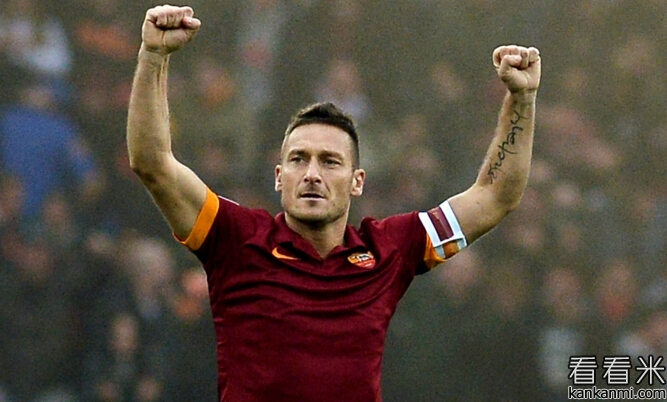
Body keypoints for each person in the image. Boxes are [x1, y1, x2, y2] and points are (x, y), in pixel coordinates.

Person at [126, 5, 541, 402]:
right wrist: (153, 55)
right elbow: (152, 164)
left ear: (357, 182)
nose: (312, 173)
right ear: (278, 177)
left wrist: (521, 99)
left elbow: (495, 196)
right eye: (298, 159)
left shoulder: (388, 250)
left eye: (329, 162)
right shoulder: (236, 239)